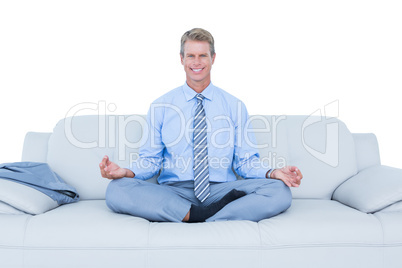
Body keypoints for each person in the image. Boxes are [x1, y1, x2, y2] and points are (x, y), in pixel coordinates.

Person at [99, 28, 302, 223]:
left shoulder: (234, 106)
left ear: (213, 58)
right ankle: (201, 215)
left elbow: (246, 162)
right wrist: (124, 172)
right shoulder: (161, 106)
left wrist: (272, 173)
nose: (197, 62)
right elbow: (150, 161)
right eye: (191, 56)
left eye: (203, 56)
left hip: (220, 190)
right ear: (181, 59)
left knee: (280, 192)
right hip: (174, 191)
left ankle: (195, 215)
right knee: (116, 189)